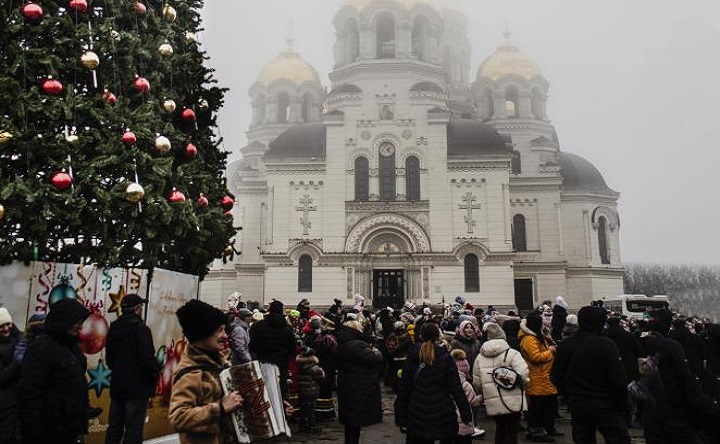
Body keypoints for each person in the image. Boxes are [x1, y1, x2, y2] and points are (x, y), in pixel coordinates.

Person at [551, 305, 631, 444]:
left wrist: (568, 394)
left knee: (583, 439)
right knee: (618, 438)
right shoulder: (606, 345)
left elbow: (556, 375)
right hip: (604, 402)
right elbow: (618, 380)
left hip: (578, 402)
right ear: (600, 322)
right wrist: (622, 405)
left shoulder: (566, 344)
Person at [639, 309, 720, 444]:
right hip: (676, 415)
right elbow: (689, 385)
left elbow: (642, 334)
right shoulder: (672, 346)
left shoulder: (645, 340)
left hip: (653, 414)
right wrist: (711, 408)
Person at [169, 299, 244, 444]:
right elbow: (178, 418)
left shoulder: (223, 365)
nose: (225, 335)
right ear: (202, 333)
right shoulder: (191, 373)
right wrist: (219, 408)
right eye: (219, 330)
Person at [18, 298, 91, 444]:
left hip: (72, 428)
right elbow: (29, 392)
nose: (80, 327)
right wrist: (35, 429)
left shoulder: (72, 347)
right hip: (50, 431)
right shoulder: (41, 348)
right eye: (77, 322)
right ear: (65, 321)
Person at [395, 322, 473, 444]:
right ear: (438, 337)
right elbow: (456, 389)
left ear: (421, 336)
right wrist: (466, 414)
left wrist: (401, 417)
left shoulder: (412, 356)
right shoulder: (446, 358)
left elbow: (404, 389)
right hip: (443, 412)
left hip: (417, 411)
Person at [105, 294, 161, 444]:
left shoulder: (114, 327)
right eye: (140, 306)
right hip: (137, 388)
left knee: (114, 429)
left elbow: (109, 358)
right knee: (134, 431)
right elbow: (147, 358)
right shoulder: (141, 329)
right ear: (137, 309)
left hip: (118, 385)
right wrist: (155, 374)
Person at [473, 322, 529, 444]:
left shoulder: (479, 357)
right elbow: (523, 375)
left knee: (500, 429)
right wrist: (521, 389)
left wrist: (485, 393)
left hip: (493, 400)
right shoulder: (512, 353)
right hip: (514, 399)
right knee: (511, 431)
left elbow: (477, 382)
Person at [335, 320, 383, 444]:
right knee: (354, 419)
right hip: (359, 385)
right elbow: (373, 359)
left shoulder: (340, 343)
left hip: (346, 383)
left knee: (350, 421)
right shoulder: (357, 345)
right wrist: (377, 352)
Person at [519, 311, 558, 442]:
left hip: (544, 376)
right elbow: (535, 357)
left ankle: (547, 428)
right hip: (537, 376)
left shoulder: (537, 337)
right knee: (537, 407)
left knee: (548, 404)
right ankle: (535, 432)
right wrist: (551, 351)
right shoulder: (529, 339)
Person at [249, 299, 296, 400]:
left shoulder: (258, 326)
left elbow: (252, 346)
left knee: (266, 392)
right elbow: (293, 348)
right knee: (281, 393)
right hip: (282, 364)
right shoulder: (287, 328)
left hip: (264, 362)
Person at [451, 349, 485, 444]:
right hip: (462, 421)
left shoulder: (447, 380)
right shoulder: (466, 385)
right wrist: (481, 397)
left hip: (449, 420)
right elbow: (473, 401)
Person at [0, 307, 23, 444]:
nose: (6, 328)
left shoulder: (21, 338)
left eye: (7, 324)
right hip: (6, 403)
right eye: (1, 326)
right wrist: (16, 363)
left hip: (21, 398)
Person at [295, 346, 325, 433]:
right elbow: (321, 378)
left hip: (302, 390)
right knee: (311, 409)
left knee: (303, 408)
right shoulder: (314, 367)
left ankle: (302, 425)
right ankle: (311, 425)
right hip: (311, 390)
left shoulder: (300, 365)